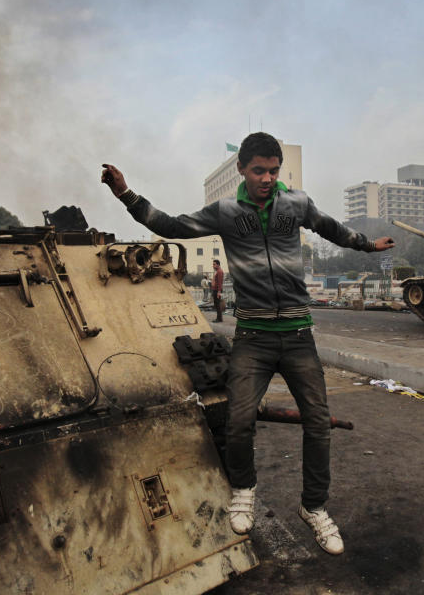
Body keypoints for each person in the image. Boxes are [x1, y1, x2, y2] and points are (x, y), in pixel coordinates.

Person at [101, 132, 395, 555]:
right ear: (242, 169)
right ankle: (244, 489)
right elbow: (170, 227)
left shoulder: (295, 204)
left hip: (297, 335)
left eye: (274, 171)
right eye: (259, 170)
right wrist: (126, 194)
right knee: (239, 422)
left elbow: (331, 228)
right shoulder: (225, 212)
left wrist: (367, 245)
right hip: (253, 338)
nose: (267, 179)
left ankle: (313, 507)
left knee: (317, 423)